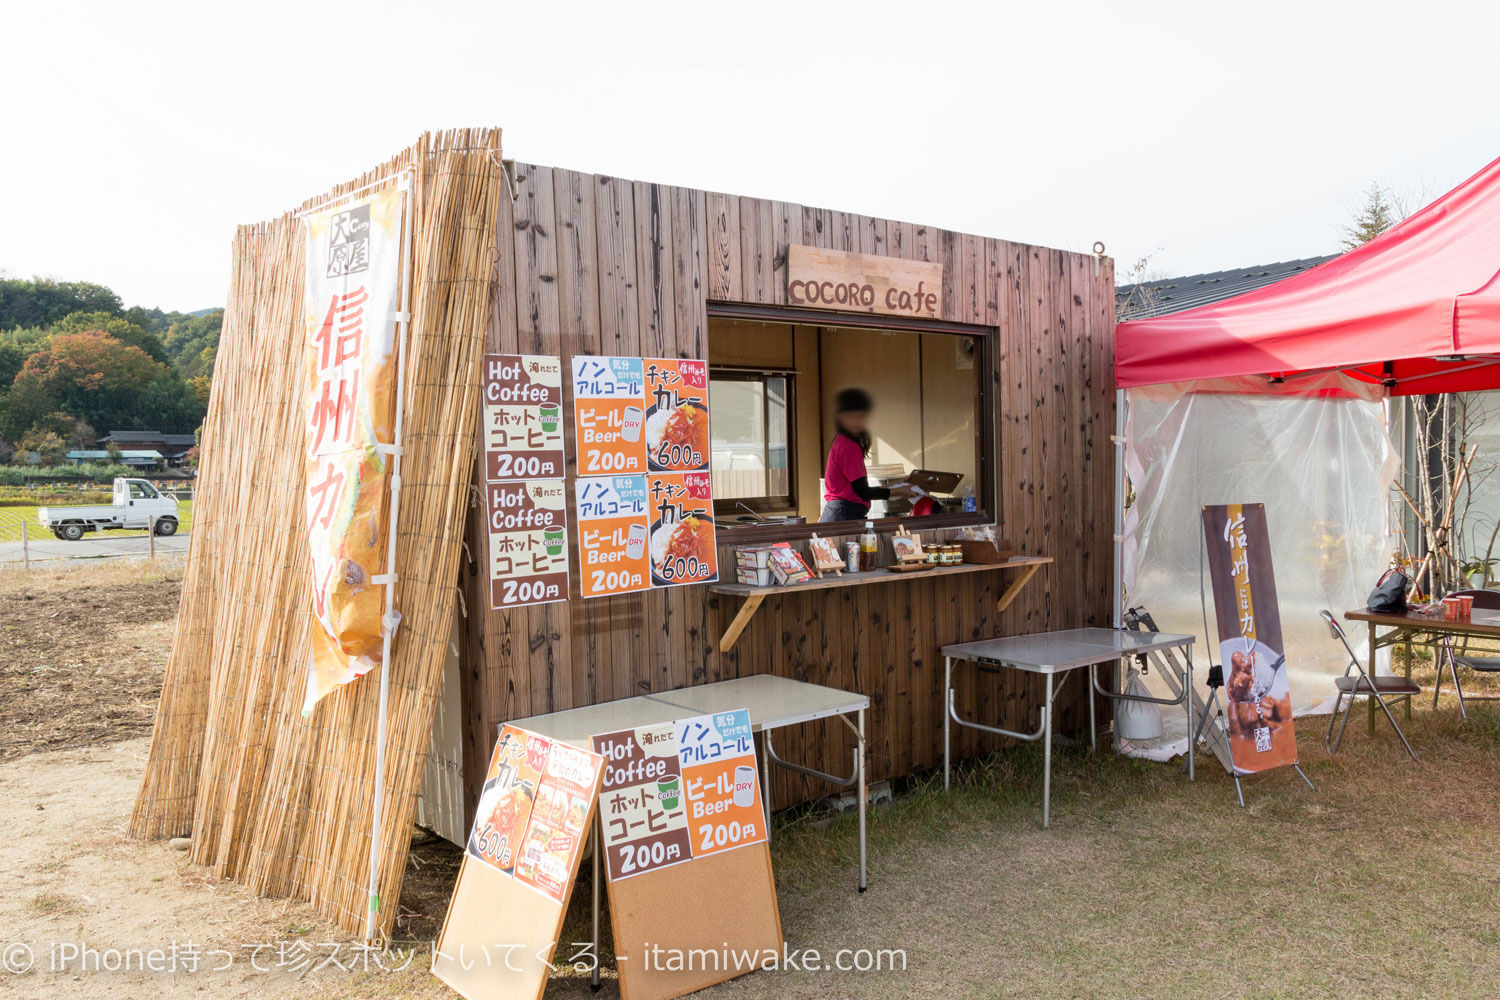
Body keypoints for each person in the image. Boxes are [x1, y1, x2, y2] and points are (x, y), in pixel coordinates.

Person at [819, 387, 913, 522]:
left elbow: (860, 489)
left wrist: (897, 484)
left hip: (840, 512)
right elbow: (863, 492)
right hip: (843, 514)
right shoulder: (849, 446)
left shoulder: (842, 441)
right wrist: (899, 491)